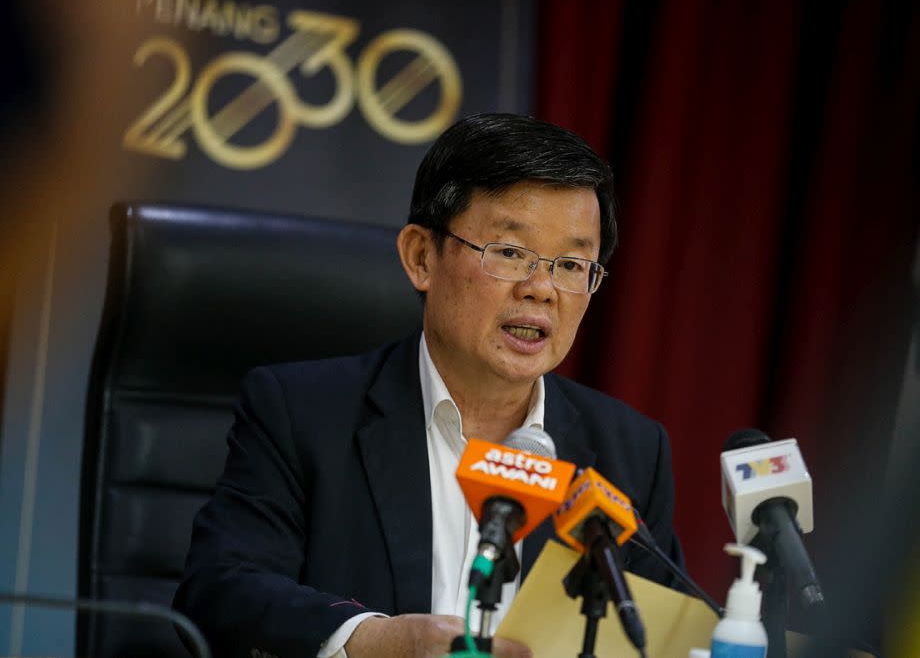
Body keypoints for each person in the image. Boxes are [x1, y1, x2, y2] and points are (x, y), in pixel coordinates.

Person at [173, 113, 684, 658]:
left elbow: (662, 638)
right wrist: (371, 640)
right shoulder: (302, 414)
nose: (542, 289)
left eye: (572, 264)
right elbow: (218, 592)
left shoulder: (629, 452)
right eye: (511, 253)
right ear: (422, 257)